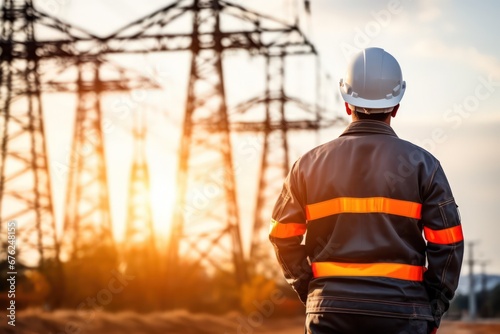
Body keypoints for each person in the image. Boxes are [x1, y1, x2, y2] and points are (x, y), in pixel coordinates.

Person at [269, 47, 464, 334]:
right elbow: (448, 246)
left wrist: (313, 292)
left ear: (347, 104)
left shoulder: (307, 166)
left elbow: (282, 237)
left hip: (330, 314)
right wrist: (431, 309)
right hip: (404, 314)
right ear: (397, 106)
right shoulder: (424, 166)